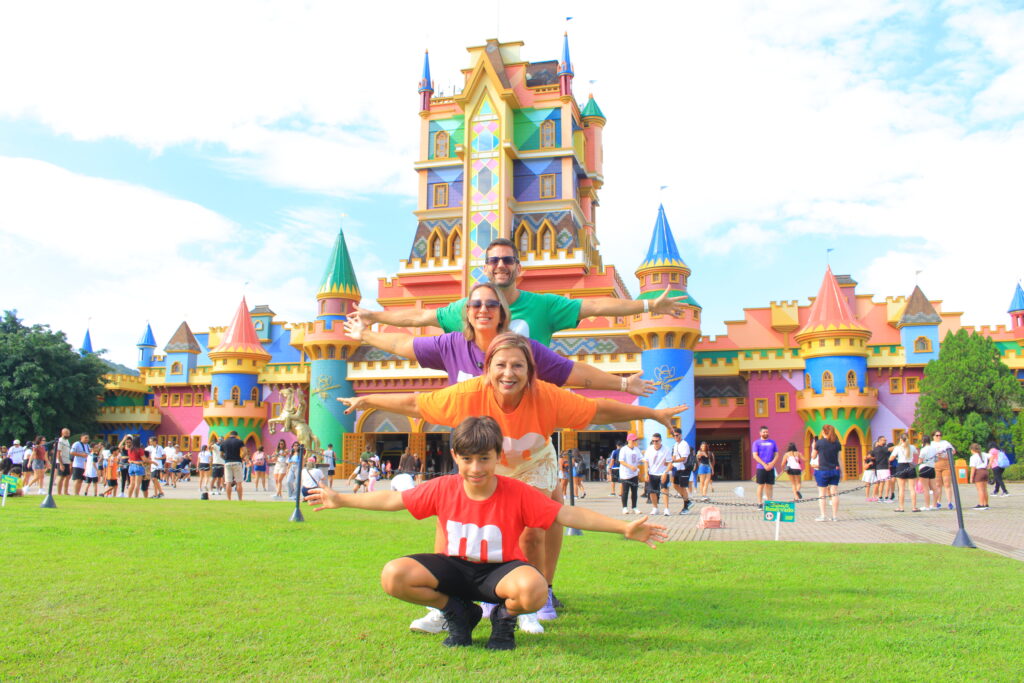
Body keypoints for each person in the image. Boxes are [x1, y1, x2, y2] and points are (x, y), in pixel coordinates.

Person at [338, 333, 686, 633]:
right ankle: (448, 605)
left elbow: (599, 412)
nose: (508, 373)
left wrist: (651, 413)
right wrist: (368, 399)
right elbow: (414, 403)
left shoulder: (548, 395)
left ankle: (531, 603)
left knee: (533, 529)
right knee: (452, 516)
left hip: (534, 460)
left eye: (518, 365)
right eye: (500, 365)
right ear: (487, 369)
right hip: (487, 462)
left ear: (530, 371)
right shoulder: (466, 394)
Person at [304, 416, 667, 651]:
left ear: (497, 458)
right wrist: (342, 499)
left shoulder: (517, 492)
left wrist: (623, 526)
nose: (475, 468)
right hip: (454, 570)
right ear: (455, 456)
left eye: (484, 459)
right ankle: (458, 613)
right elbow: (392, 500)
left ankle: (503, 619)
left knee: (535, 590)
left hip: (498, 574)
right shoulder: (443, 487)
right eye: (467, 459)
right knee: (394, 575)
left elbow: (566, 512)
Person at [351, 238, 690, 347]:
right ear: (485, 268)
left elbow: (595, 305)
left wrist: (649, 303)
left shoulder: (543, 306)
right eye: (493, 260)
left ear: (518, 268)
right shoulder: (469, 309)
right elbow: (418, 316)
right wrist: (373, 316)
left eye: (507, 260)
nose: (500, 265)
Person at [344, 282, 656, 398]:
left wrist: (625, 384)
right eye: (476, 304)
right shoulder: (451, 345)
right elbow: (403, 344)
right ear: (466, 312)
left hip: (521, 446)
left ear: (502, 313)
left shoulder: (524, 350)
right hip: (474, 454)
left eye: (491, 304)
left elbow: (575, 373)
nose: (483, 309)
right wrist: (365, 333)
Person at [811, 424, 842, 522]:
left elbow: (813, 456)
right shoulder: (837, 443)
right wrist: (843, 472)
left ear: (823, 432)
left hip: (822, 470)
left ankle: (823, 515)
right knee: (834, 493)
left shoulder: (819, 443)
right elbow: (840, 458)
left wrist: (813, 447)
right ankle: (835, 516)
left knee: (822, 494)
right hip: (834, 470)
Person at [642, 434, 672, 516]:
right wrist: (646, 473)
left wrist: (665, 473)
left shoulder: (666, 449)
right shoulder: (649, 449)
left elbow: (670, 463)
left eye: (656, 441)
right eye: (653, 441)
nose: (655, 442)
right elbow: (646, 461)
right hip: (652, 473)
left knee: (664, 490)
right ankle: (655, 508)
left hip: (663, 473)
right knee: (651, 491)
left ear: (660, 440)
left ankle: (666, 509)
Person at [890, 433, 919, 512]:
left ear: (900, 439)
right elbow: (916, 452)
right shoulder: (912, 447)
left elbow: (891, 458)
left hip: (901, 466)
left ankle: (901, 507)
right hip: (910, 466)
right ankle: (914, 507)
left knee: (901, 489)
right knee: (912, 488)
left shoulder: (898, 447)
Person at [667, 429, 694, 514]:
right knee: (675, 485)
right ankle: (688, 501)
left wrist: (673, 461)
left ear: (681, 435)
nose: (676, 437)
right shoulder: (675, 444)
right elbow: (674, 455)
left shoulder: (684, 444)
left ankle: (686, 507)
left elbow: (684, 458)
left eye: (677, 435)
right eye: (674, 435)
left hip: (684, 468)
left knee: (683, 487)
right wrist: (671, 460)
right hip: (678, 468)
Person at [752, 426, 779, 509]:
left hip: (770, 468)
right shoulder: (756, 443)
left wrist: (772, 464)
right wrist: (764, 464)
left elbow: (777, 454)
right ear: (760, 433)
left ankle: (769, 502)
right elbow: (755, 455)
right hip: (761, 468)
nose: (765, 433)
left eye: (767, 432)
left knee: (770, 485)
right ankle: (760, 503)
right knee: (761, 485)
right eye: (764, 432)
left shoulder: (773, 442)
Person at [931, 430, 956, 510]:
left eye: (940, 435)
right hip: (936, 464)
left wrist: (946, 454)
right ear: (933, 436)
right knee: (938, 484)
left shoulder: (945, 442)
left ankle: (949, 502)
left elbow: (953, 451)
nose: (939, 437)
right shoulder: (931, 444)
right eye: (937, 435)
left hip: (945, 463)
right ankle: (938, 501)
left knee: (947, 484)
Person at [220, 430, 248, 501]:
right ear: (236, 435)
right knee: (239, 482)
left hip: (228, 462)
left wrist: (225, 459)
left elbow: (221, 454)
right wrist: (241, 458)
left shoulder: (224, 442)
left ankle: (229, 499)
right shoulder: (239, 441)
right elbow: (245, 451)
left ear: (230, 435)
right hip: (237, 462)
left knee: (228, 482)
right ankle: (240, 499)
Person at [916, 435, 939, 509]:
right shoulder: (934, 449)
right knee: (934, 488)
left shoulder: (924, 449)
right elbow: (936, 460)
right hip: (932, 468)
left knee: (926, 489)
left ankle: (927, 506)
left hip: (924, 468)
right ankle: (935, 505)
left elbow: (920, 460)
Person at [864, 436, 887, 502]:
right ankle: (867, 496)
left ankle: (874, 495)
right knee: (868, 484)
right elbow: (867, 459)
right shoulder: (872, 452)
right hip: (869, 471)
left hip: (876, 469)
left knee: (877, 483)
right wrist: (869, 460)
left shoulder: (881, 451)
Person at [968, 443, 990, 510]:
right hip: (985, 471)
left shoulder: (973, 457)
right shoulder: (984, 454)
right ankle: (986, 503)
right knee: (985, 489)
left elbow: (973, 468)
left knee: (980, 489)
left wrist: (971, 477)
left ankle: (981, 504)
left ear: (972, 450)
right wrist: (989, 464)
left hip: (979, 472)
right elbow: (992, 456)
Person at [55, 428, 72, 495]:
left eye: (68, 433)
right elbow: (58, 453)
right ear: (62, 433)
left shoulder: (67, 441)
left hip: (67, 461)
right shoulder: (60, 441)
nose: (68, 434)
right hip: (61, 461)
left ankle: (65, 492)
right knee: (61, 477)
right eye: (66, 433)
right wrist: (61, 464)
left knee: (67, 477)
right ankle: (59, 493)